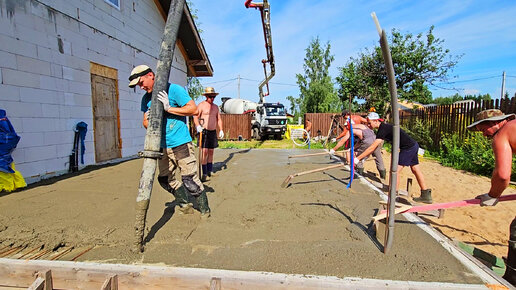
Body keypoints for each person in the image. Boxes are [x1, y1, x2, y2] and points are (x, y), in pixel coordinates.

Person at [129, 64, 210, 216]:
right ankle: (185, 204)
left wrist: (168, 108)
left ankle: (205, 211)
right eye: (138, 85)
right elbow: (145, 123)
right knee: (165, 179)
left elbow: (194, 110)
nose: (140, 87)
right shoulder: (146, 99)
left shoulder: (174, 90)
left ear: (151, 75)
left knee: (189, 180)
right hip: (161, 145)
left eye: (141, 82)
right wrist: (149, 119)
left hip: (180, 143)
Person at [467, 109, 516, 285]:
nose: (483, 135)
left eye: (482, 130)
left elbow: (502, 175)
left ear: (494, 123)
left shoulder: (501, 134)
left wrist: (492, 195)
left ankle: (513, 279)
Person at [356, 112, 432, 203]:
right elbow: (394, 140)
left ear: (376, 121)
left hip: (408, 148)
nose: (368, 125)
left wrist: (357, 158)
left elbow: (373, 147)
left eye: (369, 123)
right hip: (413, 145)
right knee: (415, 169)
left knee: (395, 171)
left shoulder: (383, 129)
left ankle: (393, 194)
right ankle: (426, 195)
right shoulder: (385, 127)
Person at [333, 110, 386, 179]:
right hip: (375, 139)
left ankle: (359, 171)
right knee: (378, 158)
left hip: (367, 141)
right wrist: (353, 148)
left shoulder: (351, 130)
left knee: (359, 157)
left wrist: (333, 149)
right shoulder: (363, 125)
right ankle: (383, 175)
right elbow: (360, 141)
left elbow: (342, 141)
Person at [193, 87, 224, 182]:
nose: (212, 98)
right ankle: (204, 172)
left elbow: (218, 119)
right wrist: (198, 126)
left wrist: (221, 130)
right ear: (206, 96)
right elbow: (195, 116)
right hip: (204, 131)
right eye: (210, 96)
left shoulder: (215, 107)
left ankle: (210, 170)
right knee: (204, 151)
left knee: (211, 151)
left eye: (213, 96)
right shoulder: (201, 105)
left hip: (212, 131)